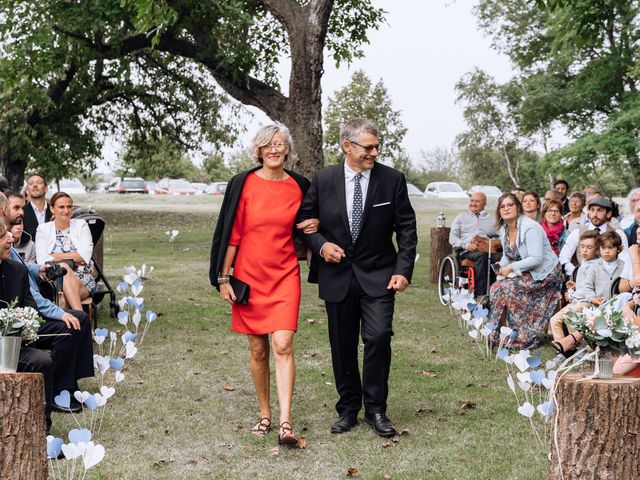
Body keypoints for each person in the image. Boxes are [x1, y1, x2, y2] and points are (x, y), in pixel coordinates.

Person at [298, 118, 418, 437]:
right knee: (343, 345)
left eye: (377, 146)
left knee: (378, 337)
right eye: (369, 147)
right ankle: (349, 409)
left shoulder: (392, 179)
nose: (374, 152)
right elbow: (305, 222)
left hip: (379, 276)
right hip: (337, 277)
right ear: (347, 146)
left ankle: (376, 409)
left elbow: (406, 228)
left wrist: (403, 270)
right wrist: (321, 246)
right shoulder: (323, 180)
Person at [209, 123, 318, 446]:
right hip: (249, 276)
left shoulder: (300, 185)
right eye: (268, 144)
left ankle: (286, 422)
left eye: (280, 143)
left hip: (285, 274)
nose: (274, 149)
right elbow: (233, 234)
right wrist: (223, 276)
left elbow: (314, 219)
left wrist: (317, 223)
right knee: (258, 349)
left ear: (288, 150)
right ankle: (265, 413)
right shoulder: (243, 184)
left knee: (282, 344)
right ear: (258, 150)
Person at [0, 192, 93, 414]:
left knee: (79, 318)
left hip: (29, 306)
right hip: (23, 314)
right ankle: (58, 391)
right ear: (4, 211)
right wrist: (59, 313)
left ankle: (70, 385)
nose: (19, 213)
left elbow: (22, 266)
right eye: (14, 208)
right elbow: (33, 299)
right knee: (70, 325)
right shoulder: (4, 237)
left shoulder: (5, 239)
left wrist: (38, 268)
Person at [489, 193, 562, 350]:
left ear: (518, 208)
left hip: (545, 274)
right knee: (496, 287)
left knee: (508, 287)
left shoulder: (530, 227)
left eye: (510, 205)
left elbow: (536, 258)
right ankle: (498, 333)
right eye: (502, 206)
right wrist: (501, 267)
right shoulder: (505, 229)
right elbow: (508, 256)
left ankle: (524, 337)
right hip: (528, 272)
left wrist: (511, 268)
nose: (506, 208)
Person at [550, 231, 624, 355]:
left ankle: (582, 347)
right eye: (603, 248)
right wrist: (591, 298)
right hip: (592, 302)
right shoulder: (594, 265)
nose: (606, 251)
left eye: (610, 248)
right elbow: (587, 287)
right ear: (599, 249)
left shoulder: (623, 266)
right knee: (558, 318)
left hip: (608, 304)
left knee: (573, 312)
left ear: (618, 249)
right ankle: (566, 350)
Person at [35, 192, 96, 311]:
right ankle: (82, 319)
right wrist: (73, 258)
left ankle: (73, 323)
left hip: (83, 279)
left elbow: (84, 257)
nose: (66, 211)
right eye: (61, 207)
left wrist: (54, 256)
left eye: (69, 207)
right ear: (52, 209)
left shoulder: (81, 225)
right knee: (64, 270)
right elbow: (42, 260)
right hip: (53, 280)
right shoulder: (43, 229)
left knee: (64, 292)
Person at [558, 197, 628, 277]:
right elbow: (563, 257)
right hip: (580, 279)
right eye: (592, 210)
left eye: (599, 210)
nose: (595, 214)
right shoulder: (577, 232)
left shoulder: (618, 233)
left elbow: (624, 260)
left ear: (608, 214)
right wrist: (576, 273)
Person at [448, 192, 501, 298]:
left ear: (484, 203)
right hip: (467, 251)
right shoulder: (461, 217)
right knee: (482, 256)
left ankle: (498, 290)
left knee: (500, 256)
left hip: (488, 249)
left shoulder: (492, 219)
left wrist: (494, 243)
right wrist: (466, 245)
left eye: (477, 201)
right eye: (472, 201)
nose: (473, 203)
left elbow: (500, 236)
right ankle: (481, 294)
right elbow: (452, 238)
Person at [22, 172, 51, 241]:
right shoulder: (21, 212)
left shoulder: (55, 211)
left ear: (46, 188)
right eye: (31, 183)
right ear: (27, 191)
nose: (35, 185)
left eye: (39, 183)